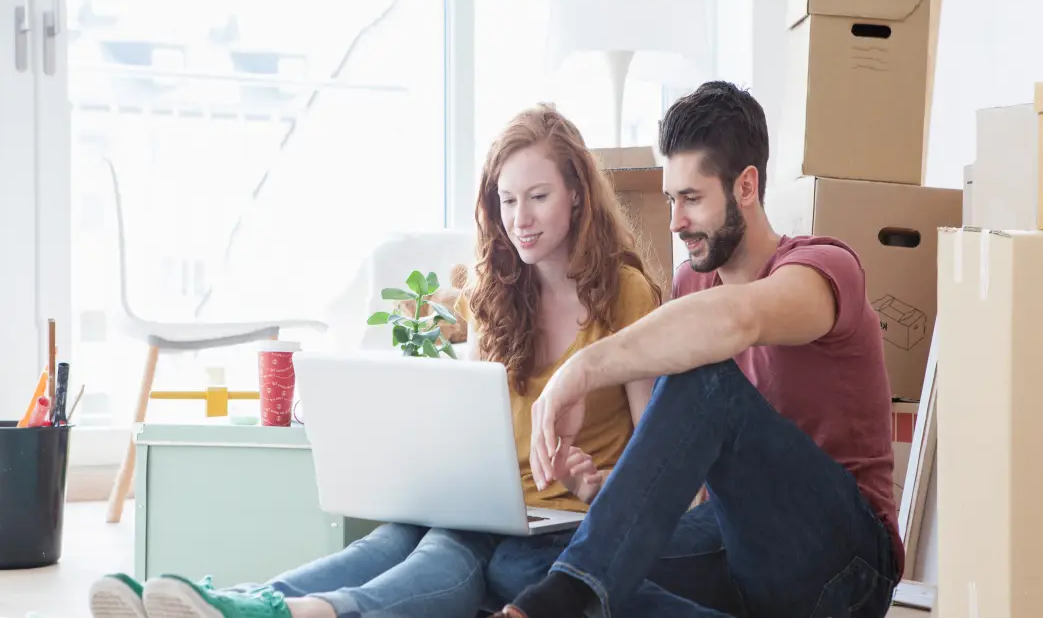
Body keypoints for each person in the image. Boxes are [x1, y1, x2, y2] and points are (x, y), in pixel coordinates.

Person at [86, 104, 663, 618]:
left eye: (538, 197)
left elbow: (663, 468)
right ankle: (242, 601)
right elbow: (461, 405)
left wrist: (593, 487)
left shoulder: (627, 295)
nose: (521, 219)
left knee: (443, 557)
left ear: (578, 195)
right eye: (507, 201)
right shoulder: (495, 297)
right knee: (387, 544)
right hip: (486, 506)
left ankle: (279, 613)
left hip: (565, 523)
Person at [491, 81, 902, 618]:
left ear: (746, 186)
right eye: (670, 199)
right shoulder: (692, 284)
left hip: (845, 563)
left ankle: (559, 603)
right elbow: (685, 473)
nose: (674, 222)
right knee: (527, 566)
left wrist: (581, 369)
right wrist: (599, 497)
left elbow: (738, 320)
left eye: (691, 199)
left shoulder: (823, 270)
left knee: (704, 380)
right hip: (739, 543)